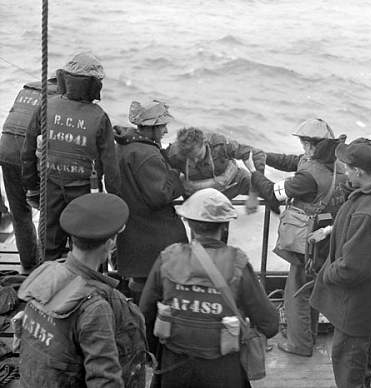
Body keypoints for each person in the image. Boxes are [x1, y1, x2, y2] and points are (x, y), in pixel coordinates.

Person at [139, 188, 279, 388]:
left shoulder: (168, 258)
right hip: (223, 371)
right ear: (224, 226)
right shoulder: (237, 263)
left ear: (189, 223)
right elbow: (270, 323)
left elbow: (145, 314)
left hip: (174, 368)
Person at [16, 193, 148, 387]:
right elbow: (104, 381)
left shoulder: (46, 274)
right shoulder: (95, 308)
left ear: (72, 238)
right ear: (111, 244)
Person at [309, 138, 371, 388]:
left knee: (348, 363)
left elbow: (353, 269)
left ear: (358, 171)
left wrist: (327, 273)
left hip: (355, 304)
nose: (343, 170)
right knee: (362, 355)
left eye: (345, 167)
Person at [244, 118, 347, 357]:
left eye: (303, 143)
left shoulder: (308, 177)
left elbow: (272, 191)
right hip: (328, 235)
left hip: (308, 240)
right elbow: (293, 161)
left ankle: (300, 345)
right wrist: (264, 155)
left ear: (312, 145)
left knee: (297, 293)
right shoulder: (337, 163)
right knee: (311, 288)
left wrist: (251, 170)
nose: (302, 148)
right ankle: (307, 337)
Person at [21, 51, 121, 261]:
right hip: (85, 193)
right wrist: (114, 204)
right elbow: (111, 169)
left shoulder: (46, 106)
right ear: (93, 85)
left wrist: (31, 185)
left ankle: (49, 286)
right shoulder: (99, 117)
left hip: (49, 190)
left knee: (48, 247)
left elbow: (28, 150)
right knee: (87, 247)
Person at [113, 100, 188, 302]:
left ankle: (141, 322)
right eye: (162, 125)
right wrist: (176, 175)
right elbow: (160, 196)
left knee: (140, 280)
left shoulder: (125, 147)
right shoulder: (146, 154)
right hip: (153, 233)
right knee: (160, 282)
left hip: (133, 229)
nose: (165, 130)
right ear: (151, 127)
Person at [0, 77, 58, 271]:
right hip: (29, 152)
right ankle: (44, 264)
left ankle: (28, 263)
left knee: (19, 212)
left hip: (6, 150)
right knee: (47, 208)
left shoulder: (27, 88)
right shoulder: (59, 98)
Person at [164, 127, 265, 213]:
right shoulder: (175, 154)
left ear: (204, 143)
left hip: (232, 184)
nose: (195, 161)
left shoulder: (219, 144)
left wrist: (254, 194)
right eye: (190, 158)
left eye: (198, 156)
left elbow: (257, 154)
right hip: (199, 196)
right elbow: (160, 167)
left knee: (270, 192)